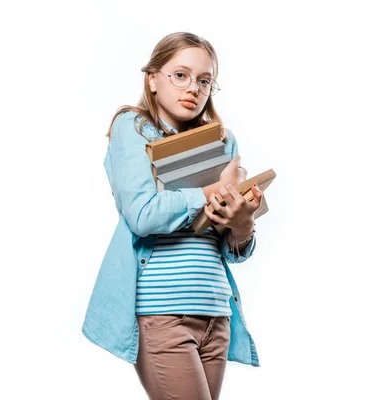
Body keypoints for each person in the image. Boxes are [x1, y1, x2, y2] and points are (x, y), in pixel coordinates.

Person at [81, 32, 264, 400]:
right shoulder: (132, 128)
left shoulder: (223, 141)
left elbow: (230, 248)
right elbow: (143, 215)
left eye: (204, 81)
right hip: (165, 313)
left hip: (216, 311)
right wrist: (214, 190)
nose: (193, 88)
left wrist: (242, 225)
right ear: (152, 78)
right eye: (180, 75)